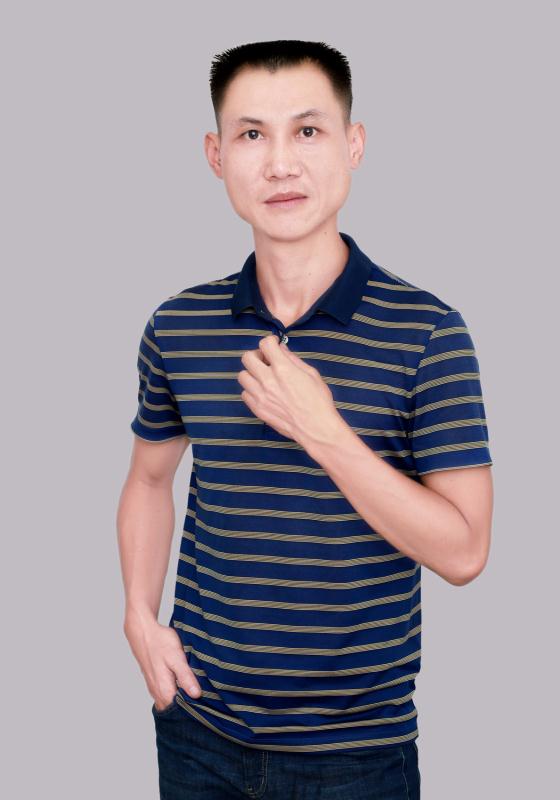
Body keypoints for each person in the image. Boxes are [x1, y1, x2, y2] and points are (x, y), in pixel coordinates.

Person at [117, 38, 494, 800]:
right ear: (216, 155)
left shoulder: (428, 332)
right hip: (199, 733)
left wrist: (324, 432)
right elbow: (149, 481)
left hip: (359, 756)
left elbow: (464, 551)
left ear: (353, 145)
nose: (280, 163)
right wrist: (137, 615)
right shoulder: (178, 325)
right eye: (252, 134)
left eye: (308, 131)